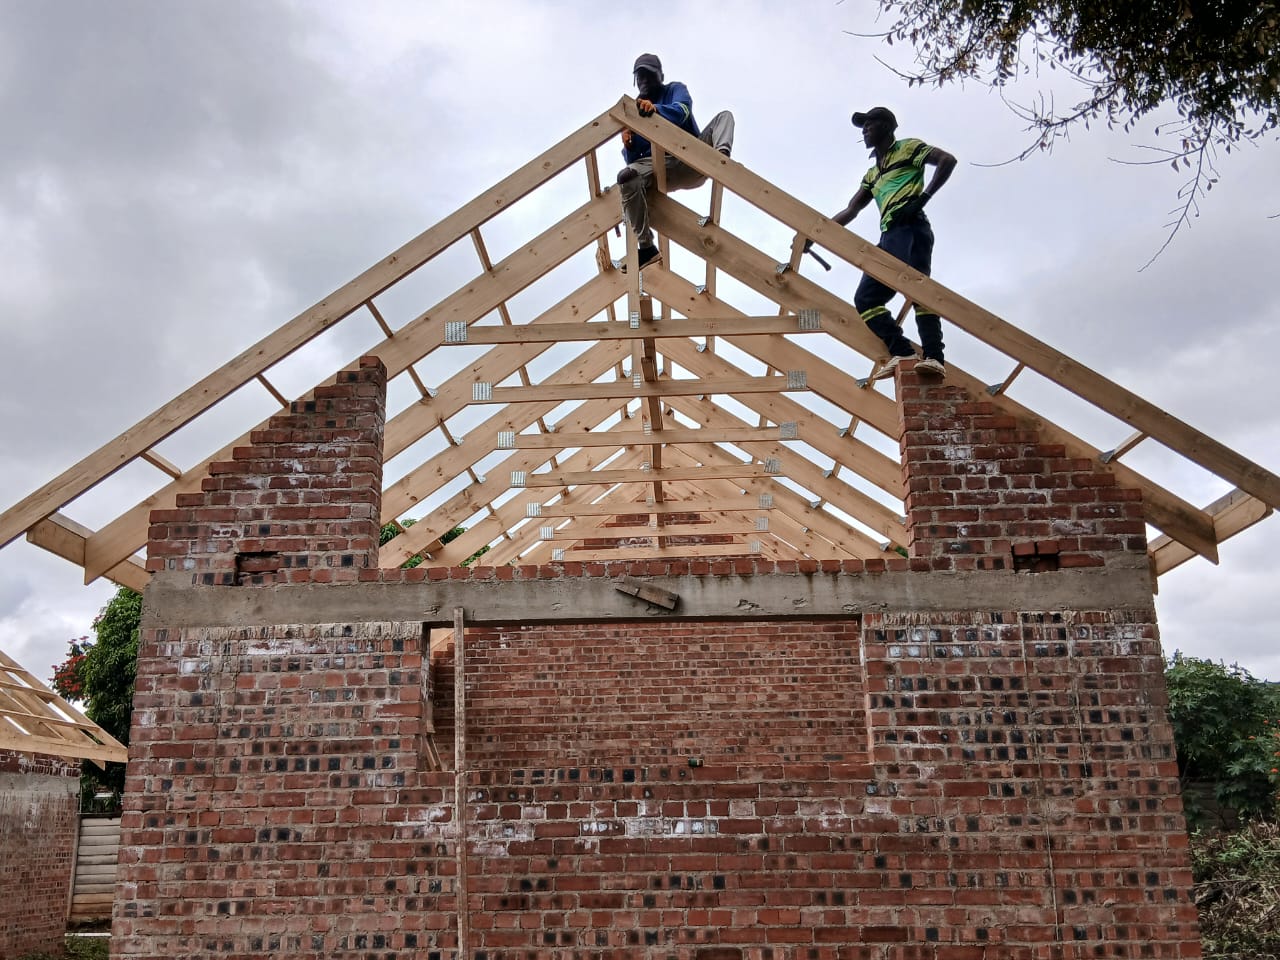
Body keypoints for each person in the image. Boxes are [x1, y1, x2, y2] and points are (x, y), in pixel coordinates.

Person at [809, 107, 956, 379]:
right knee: (867, 299)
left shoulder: (908, 148)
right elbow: (851, 209)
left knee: (916, 287)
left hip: (911, 225)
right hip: (890, 232)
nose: (865, 129)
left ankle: (935, 357)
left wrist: (922, 199)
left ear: (887, 126)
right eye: (863, 126)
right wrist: (814, 235)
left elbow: (947, 160)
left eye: (870, 123)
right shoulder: (872, 174)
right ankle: (904, 353)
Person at [618, 53, 735, 269]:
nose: (644, 80)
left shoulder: (674, 90)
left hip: (692, 160)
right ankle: (646, 247)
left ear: (660, 76)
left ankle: (721, 161)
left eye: (649, 75)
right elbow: (634, 163)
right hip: (659, 169)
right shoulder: (633, 111)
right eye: (640, 76)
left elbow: (683, 111)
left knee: (724, 117)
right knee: (626, 177)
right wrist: (629, 146)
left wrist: (657, 110)